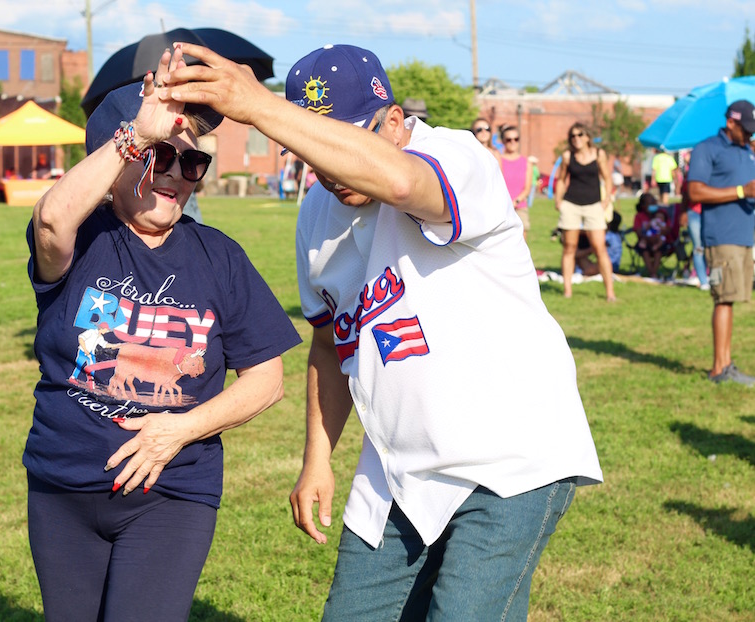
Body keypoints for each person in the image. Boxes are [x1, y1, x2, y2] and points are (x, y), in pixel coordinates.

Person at [166, 42, 603, 621]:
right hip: (398, 470)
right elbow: (328, 342)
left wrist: (260, 105)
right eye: (313, 151)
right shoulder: (316, 215)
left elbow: (402, 185)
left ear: (395, 123)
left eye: (347, 140)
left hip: (510, 457)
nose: (329, 169)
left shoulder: (456, 156)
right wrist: (317, 456)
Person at [23, 48, 301, 621]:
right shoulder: (81, 240)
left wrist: (179, 431)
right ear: (119, 153)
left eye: (192, 163)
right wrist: (136, 135)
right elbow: (50, 220)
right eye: (161, 156)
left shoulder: (218, 256)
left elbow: (268, 380)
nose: (177, 174)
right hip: (63, 485)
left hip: (172, 491)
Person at [686, 100, 755, 385]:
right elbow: (695, 191)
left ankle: (727, 364)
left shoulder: (747, 150)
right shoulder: (707, 148)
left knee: (732, 299)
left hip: (743, 237)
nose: (750, 134)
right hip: (721, 237)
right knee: (723, 299)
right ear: (731, 123)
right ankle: (719, 369)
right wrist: (741, 190)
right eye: (746, 129)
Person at [554, 123, 616, 300]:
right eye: (573, 136)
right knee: (569, 247)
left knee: (599, 247)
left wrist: (606, 200)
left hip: (593, 205)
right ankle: (567, 291)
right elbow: (561, 179)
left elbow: (607, 177)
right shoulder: (568, 156)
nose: (577, 139)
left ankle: (610, 292)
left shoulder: (599, 154)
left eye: (580, 135)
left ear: (588, 136)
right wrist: (558, 200)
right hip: (571, 204)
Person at [498, 125, 533, 240]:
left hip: (520, 207)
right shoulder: (498, 160)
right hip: (502, 207)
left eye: (516, 139)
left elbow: (527, 188)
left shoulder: (526, 162)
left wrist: (516, 201)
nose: (513, 142)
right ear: (503, 141)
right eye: (509, 139)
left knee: (521, 240)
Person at [678, 166, 709, 290]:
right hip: (694, 213)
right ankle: (703, 281)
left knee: (710, 246)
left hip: (710, 213)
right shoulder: (691, 176)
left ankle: (710, 276)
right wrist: (683, 213)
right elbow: (685, 195)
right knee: (698, 247)